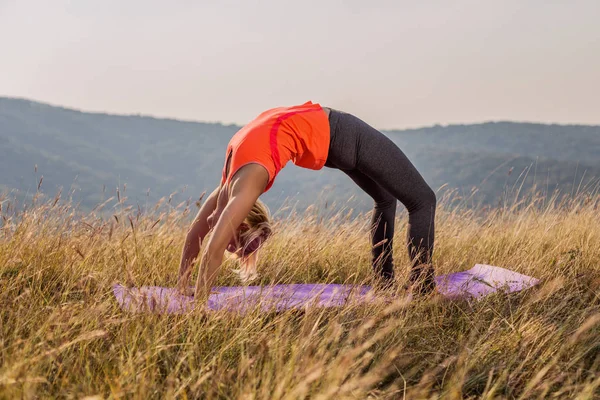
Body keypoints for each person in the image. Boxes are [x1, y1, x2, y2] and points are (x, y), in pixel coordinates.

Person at [177, 101, 437, 303]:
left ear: (242, 226)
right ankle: (399, 285)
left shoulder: (245, 184)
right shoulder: (230, 185)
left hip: (342, 132)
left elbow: (211, 247)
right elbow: (196, 234)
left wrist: (200, 305)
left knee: (419, 201)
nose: (236, 253)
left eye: (245, 247)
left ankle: (410, 285)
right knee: (399, 200)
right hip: (331, 140)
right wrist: (182, 284)